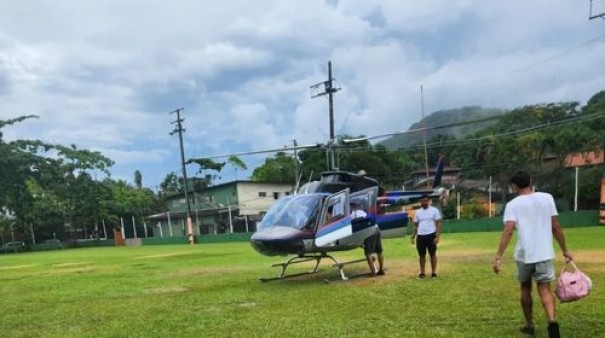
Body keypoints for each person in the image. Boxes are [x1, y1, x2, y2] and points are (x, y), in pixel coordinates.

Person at [493, 170, 573, 338]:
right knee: (545, 289)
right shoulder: (547, 198)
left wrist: (499, 256)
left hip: (524, 255)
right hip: (544, 253)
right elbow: (556, 227)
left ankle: (529, 325)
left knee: (525, 288)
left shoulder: (513, 204)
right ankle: (552, 321)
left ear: (514, 187)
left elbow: (508, 231)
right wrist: (565, 250)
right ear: (530, 181)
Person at [410, 194, 442, 279]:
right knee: (421, 255)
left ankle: (434, 273)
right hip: (421, 236)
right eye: (422, 201)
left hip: (431, 235)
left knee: (432, 254)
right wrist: (413, 236)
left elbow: (438, 223)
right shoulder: (418, 212)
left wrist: (437, 236)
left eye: (425, 201)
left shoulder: (434, 210)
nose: (424, 202)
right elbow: (416, 225)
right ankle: (422, 273)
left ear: (428, 201)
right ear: (420, 202)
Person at [352, 200, 385, 276]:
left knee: (368, 253)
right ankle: (381, 270)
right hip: (377, 229)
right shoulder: (365, 213)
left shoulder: (353, 214)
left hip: (369, 231)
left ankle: (373, 272)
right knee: (379, 251)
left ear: (354, 206)